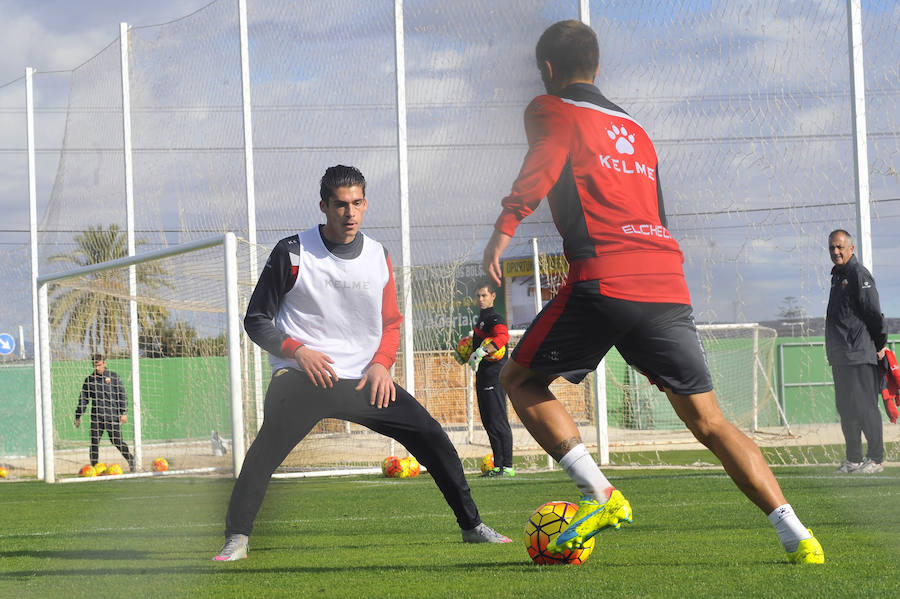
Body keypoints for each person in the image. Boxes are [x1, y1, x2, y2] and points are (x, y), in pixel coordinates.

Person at [480, 20, 823, 564]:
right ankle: (799, 535)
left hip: (603, 278)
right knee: (710, 422)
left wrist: (501, 233)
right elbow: (656, 214)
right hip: (665, 281)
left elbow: (539, 170)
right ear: (597, 66)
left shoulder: (552, 109)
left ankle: (602, 495)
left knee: (516, 378)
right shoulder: (636, 130)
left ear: (547, 71)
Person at [214, 165, 510, 561]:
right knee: (266, 450)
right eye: (339, 205)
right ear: (323, 206)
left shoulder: (378, 256)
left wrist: (382, 365)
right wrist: (297, 350)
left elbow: (391, 324)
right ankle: (237, 538)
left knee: (430, 434)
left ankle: (472, 526)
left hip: (365, 380)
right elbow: (256, 320)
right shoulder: (293, 252)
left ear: (365, 204)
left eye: (356, 204)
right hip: (302, 376)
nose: (349, 213)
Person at [825, 229, 887, 474]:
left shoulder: (859, 274)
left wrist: (879, 344)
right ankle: (853, 459)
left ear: (851, 249)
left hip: (860, 353)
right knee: (846, 408)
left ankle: (876, 459)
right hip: (841, 356)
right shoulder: (836, 276)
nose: (836, 252)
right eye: (832, 248)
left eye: (840, 247)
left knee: (865, 407)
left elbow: (873, 313)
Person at [466, 281, 515, 477]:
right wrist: (467, 351)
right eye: (478, 296)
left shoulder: (495, 318)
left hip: (495, 376)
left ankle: (508, 467)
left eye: (484, 295)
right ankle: (498, 466)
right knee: (488, 421)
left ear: (493, 296)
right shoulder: (481, 320)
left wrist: (482, 351)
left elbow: (503, 337)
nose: (480, 299)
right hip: (483, 376)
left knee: (498, 420)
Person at [74, 353, 135, 472]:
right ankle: (93, 468)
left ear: (104, 363)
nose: (97, 368)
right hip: (96, 418)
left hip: (112, 416)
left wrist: (124, 412)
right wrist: (78, 415)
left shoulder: (113, 377)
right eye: (94, 365)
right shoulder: (90, 380)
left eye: (99, 365)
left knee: (117, 441)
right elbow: (83, 399)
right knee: (94, 443)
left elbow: (122, 395)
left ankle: (131, 460)